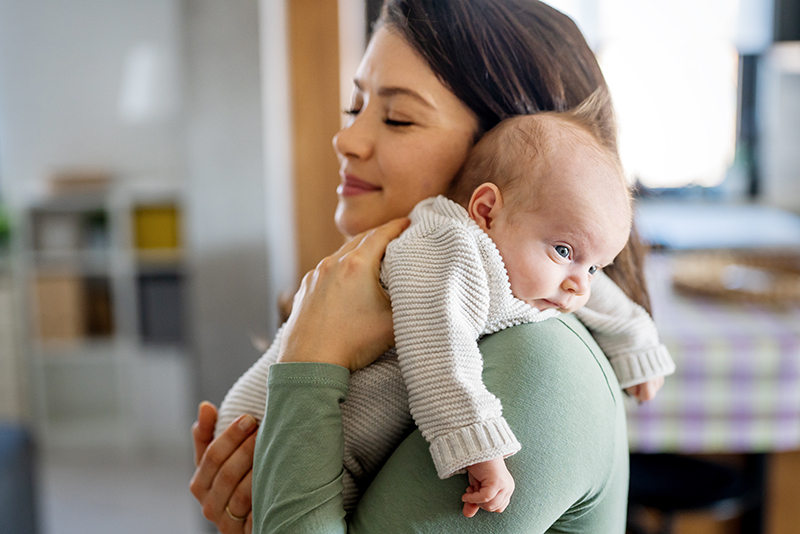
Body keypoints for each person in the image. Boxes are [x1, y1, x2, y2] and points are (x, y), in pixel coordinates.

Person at [190, 1, 662, 531]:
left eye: (397, 117)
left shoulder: (536, 363)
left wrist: (312, 360)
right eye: (356, 107)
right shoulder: (434, 282)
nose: (345, 139)